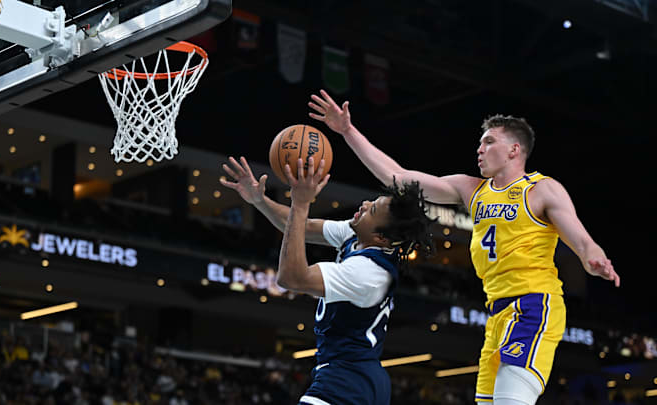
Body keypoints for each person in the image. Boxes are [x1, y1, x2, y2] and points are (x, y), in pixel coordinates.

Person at [308, 89, 620, 405]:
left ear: (514, 149)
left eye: (488, 141)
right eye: (480, 142)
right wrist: (347, 130)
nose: (479, 148)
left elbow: (580, 237)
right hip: (497, 313)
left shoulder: (541, 189)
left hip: (533, 305)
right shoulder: (471, 189)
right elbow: (399, 177)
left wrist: (592, 257)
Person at [220, 156, 434, 405]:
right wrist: (259, 200)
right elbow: (301, 226)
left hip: (347, 380)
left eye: (372, 209)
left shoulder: (368, 272)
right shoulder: (356, 235)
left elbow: (291, 278)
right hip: (357, 378)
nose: (364, 204)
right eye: (371, 201)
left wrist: (301, 202)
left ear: (381, 238)